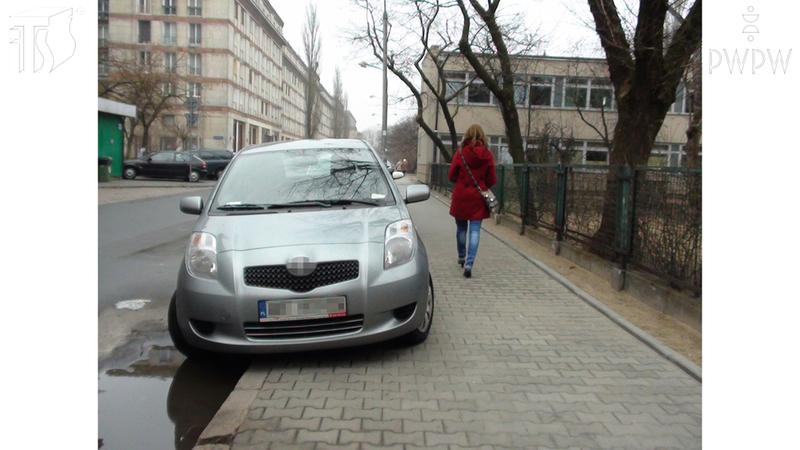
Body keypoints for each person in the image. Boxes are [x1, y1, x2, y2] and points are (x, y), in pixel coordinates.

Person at [447, 124, 497, 278]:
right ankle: (469, 264)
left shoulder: (461, 153)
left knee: (461, 229)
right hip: (478, 197)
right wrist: (482, 184)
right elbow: (492, 179)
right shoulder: (487, 155)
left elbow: (451, 175)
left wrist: (461, 180)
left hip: (461, 196)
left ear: (467, 136)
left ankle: (462, 256)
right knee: (475, 232)